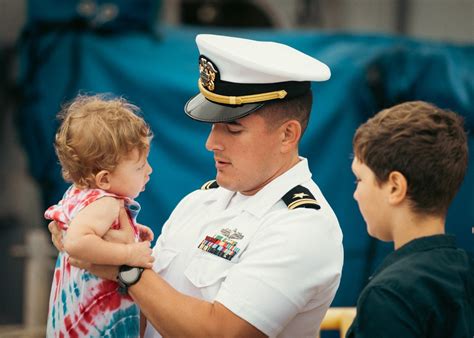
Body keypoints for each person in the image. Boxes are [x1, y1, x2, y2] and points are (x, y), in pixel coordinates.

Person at [50, 34, 344, 337]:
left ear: (287, 135)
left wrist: (124, 267)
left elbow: (221, 333)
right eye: (213, 127)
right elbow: (145, 319)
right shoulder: (199, 203)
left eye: (233, 128)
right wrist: (91, 241)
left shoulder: (301, 226)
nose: (211, 143)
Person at [347, 101, 474, 337]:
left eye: (360, 179)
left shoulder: (389, 296)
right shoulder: (465, 274)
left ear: (395, 187)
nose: (356, 194)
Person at [45, 94, 155, 337]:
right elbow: (77, 242)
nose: (149, 170)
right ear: (104, 179)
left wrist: (136, 232)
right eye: (140, 166)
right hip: (96, 323)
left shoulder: (79, 194)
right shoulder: (104, 203)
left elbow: (96, 234)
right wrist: (129, 253)